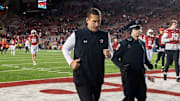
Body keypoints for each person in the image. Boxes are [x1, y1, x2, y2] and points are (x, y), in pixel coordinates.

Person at [62, 8, 113, 101]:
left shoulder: (105, 35)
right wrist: (71, 62)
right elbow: (65, 48)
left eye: (99, 21)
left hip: (97, 77)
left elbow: (111, 53)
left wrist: (109, 55)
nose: (97, 24)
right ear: (87, 20)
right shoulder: (77, 35)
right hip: (82, 77)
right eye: (94, 21)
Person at [112, 24, 153, 101]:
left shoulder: (142, 43)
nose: (139, 31)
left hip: (140, 74)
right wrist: (121, 66)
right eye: (136, 29)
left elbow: (144, 56)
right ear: (131, 31)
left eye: (139, 29)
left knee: (142, 96)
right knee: (129, 97)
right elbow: (114, 57)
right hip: (128, 74)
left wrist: (148, 63)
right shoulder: (123, 43)